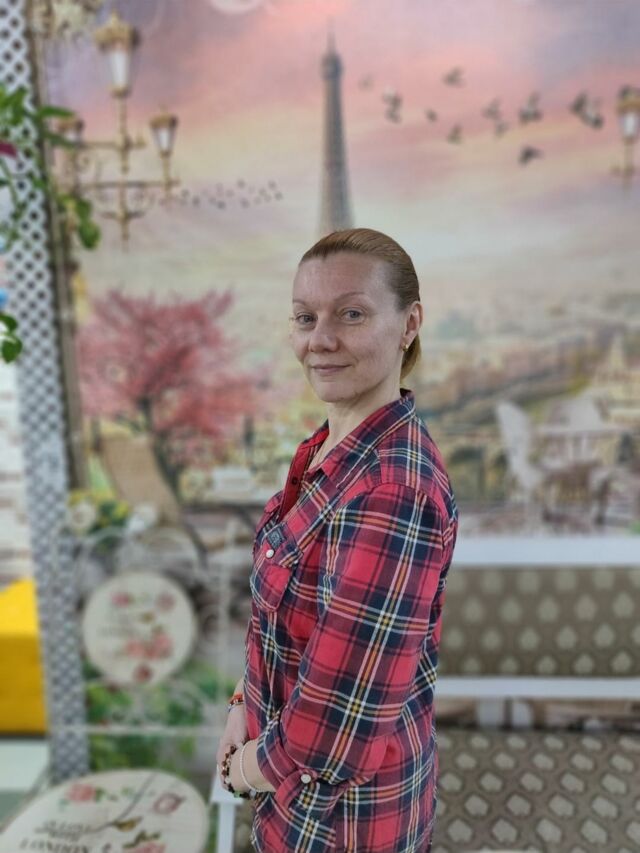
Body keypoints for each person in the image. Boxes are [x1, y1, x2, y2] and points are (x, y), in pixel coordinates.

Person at [216, 227, 458, 852]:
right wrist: (243, 703)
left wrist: (242, 772)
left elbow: (336, 721)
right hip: (293, 793)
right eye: (306, 317)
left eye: (351, 314)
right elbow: (285, 626)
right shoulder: (328, 451)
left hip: (343, 821)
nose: (320, 339)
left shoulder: (392, 488)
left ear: (409, 324)